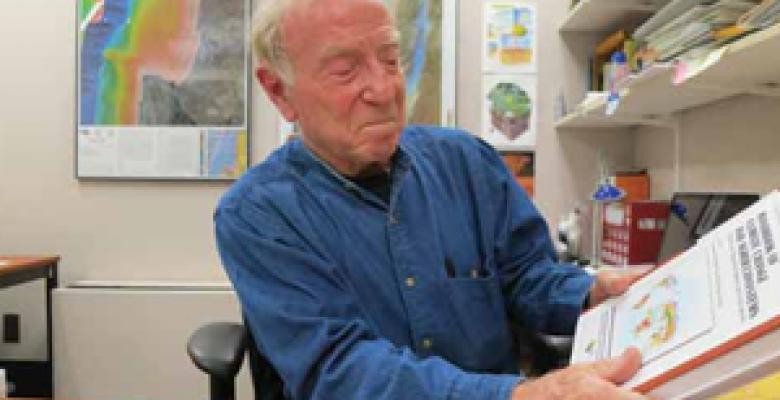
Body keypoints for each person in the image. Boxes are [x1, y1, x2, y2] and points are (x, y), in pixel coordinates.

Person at [215, 0, 648, 398]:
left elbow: (526, 276)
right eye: (345, 70)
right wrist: (517, 395)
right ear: (278, 92)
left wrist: (591, 291)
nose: (384, 90)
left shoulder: (465, 162)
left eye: (390, 59)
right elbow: (341, 370)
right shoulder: (257, 214)